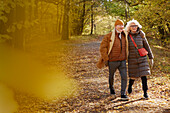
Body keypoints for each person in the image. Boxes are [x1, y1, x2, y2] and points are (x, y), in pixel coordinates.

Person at [97, 19, 129, 100]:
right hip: (112, 61)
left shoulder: (125, 35)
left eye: (122, 25)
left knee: (124, 76)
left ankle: (123, 94)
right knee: (111, 76)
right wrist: (106, 59)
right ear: (115, 26)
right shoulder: (109, 36)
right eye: (119, 25)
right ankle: (111, 89)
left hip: (122, 60)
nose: (121, 27)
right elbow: (102, 48)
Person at [124, 19, 154, 99]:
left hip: (142, 58)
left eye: (135, 25)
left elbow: (147, 46)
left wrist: (151, 57)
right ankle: (130, 87)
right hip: (132, 59)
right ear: (129, 27)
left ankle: (145, 93)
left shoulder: (141, 34)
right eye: (132, 26)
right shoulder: (126, 36)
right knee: (133, 76)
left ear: (138, 26)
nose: (134, 27)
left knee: (144, 76)